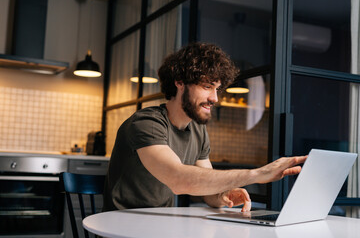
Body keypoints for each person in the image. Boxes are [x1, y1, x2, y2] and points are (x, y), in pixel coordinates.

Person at [103, 42, 306, 212]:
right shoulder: (147, 123)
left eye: (217, 89)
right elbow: (178, 179)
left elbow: (207, 192)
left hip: (159, 225)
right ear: (179, 82)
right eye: (207, 87)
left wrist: (222, 195)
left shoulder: (197, 129)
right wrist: (257, 174)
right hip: (121, 226)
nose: (215, 98)